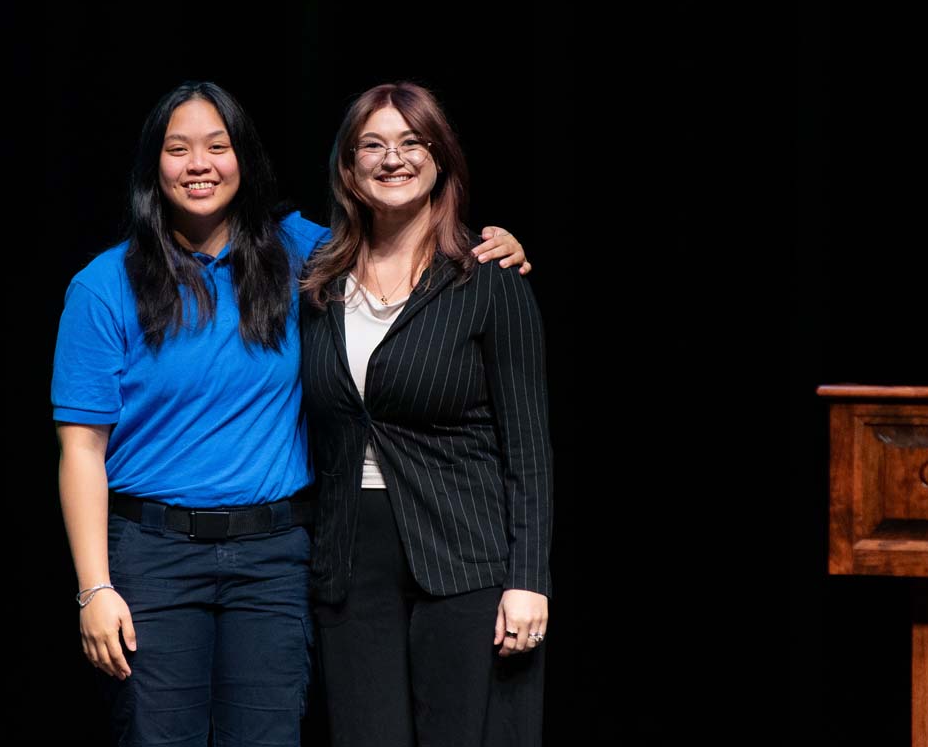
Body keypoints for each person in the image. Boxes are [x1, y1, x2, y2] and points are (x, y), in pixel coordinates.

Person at [50, 80, 530, 747]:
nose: (199, 164)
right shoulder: (104, 284)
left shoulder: (301, 252)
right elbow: (81, 450)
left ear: (242, 158)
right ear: (151, 166)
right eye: (178, 148)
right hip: (153, 558)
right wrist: (93, 587)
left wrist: (488, 244)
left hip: (272, 557)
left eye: (217, 146)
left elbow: (403, 247)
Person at [299, 81, 553, 747]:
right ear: (348, 166)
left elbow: (529, 449)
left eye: (412, 142)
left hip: (464, 560)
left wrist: (530, 579)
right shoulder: (317, 282)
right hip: (351, 561)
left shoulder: (488, 277)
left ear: (440, 158)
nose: (393, 158)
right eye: (372, 145)